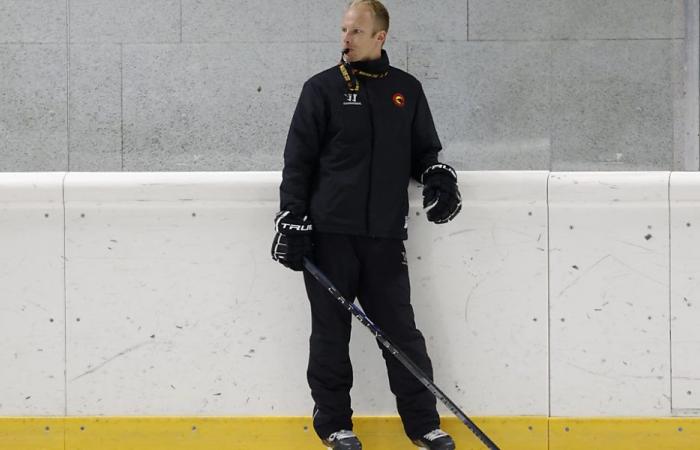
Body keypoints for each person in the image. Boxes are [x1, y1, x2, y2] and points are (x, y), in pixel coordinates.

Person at [271, 1, 462, 448]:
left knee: (402, 334)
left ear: (380, 37)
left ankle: (423, 425)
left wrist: (436, 175)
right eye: (343, 30)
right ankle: (335, 424)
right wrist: (291, 218)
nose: (346, 39)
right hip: (329, 237)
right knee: (330, 336)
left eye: (356, 31)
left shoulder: (407, 91)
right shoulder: (320, 90)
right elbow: (297, 163)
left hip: (384, 236)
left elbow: (423, 153)